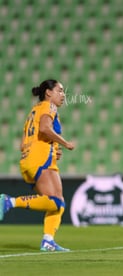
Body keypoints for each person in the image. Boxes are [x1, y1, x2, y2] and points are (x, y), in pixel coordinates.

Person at [0, 79, 75, 252]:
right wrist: (65, 143)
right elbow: (45, 128)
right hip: (40, 159)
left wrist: (53, 148)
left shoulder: (34, 111)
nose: (63, 95)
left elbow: (23, 143)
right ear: (48, 93)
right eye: (60, 90)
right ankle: (10, 202)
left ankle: (48, 241)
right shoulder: (49, 107)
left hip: (29, 159)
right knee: (56, 201)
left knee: (58, 203)